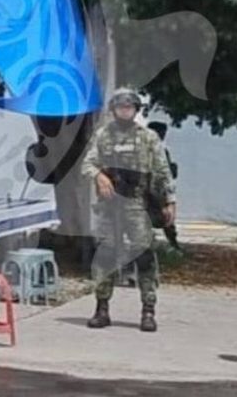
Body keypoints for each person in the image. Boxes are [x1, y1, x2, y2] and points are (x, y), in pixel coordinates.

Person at [81, 87, 176, 332]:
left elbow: (162, 170)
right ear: (113, 110)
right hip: (109, 205)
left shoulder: (148, 137)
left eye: (129, 107)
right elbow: (88, 164)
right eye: (121, 107)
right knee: (105, 256)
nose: (125, 111)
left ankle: (148, 310)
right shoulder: (103, 135)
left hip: (137, 205)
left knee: (144, 257)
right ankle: (102, 309)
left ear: (136, 110)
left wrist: (169, 201)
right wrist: (99, 176)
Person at [147, 121, 182, 251]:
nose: (163, 136)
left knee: (167, 220)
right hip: (149, 190)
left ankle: (173, 244)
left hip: (159, 191)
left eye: (163, 133)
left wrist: (172, 169)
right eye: (161, 133)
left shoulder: (162, 151)